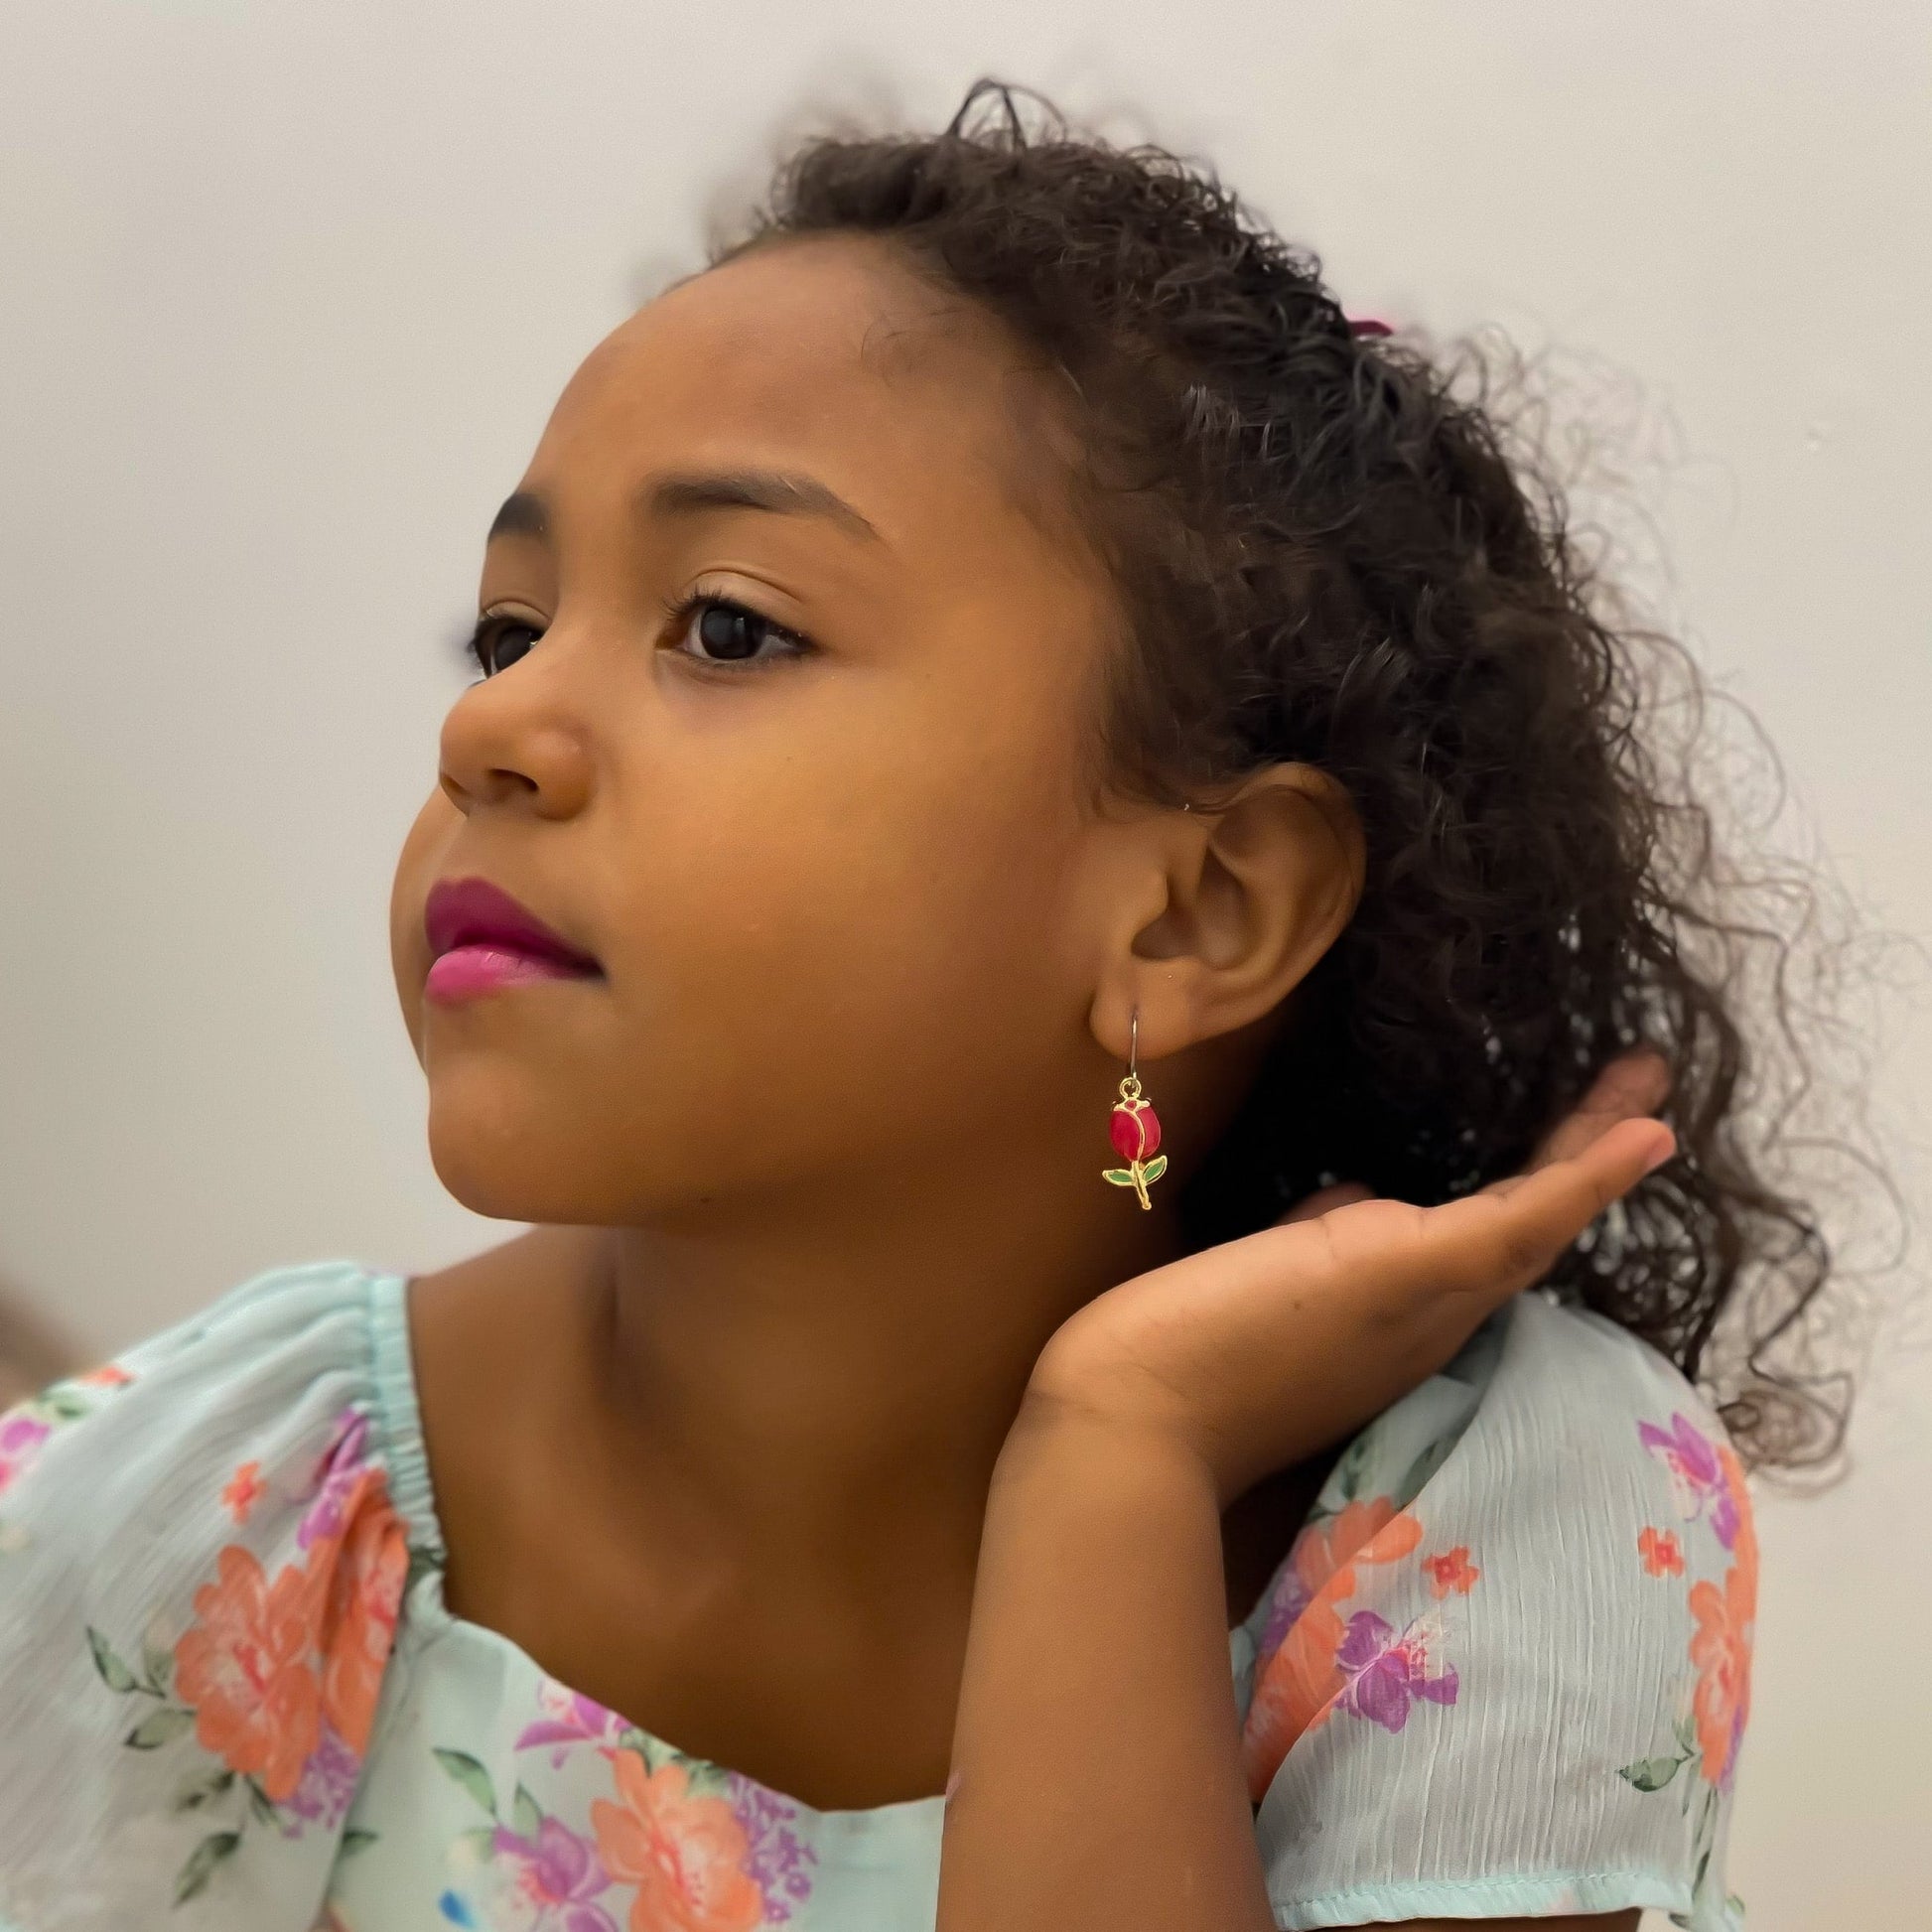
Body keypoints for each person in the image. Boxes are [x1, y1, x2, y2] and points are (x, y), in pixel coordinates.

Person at [0, 79, 1852, 1932]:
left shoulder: (1485, 1516)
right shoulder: (222, 1506)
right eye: (508, 628)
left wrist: (1113, 1468)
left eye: (727, 623)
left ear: (1198, 908)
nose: (489, 728)